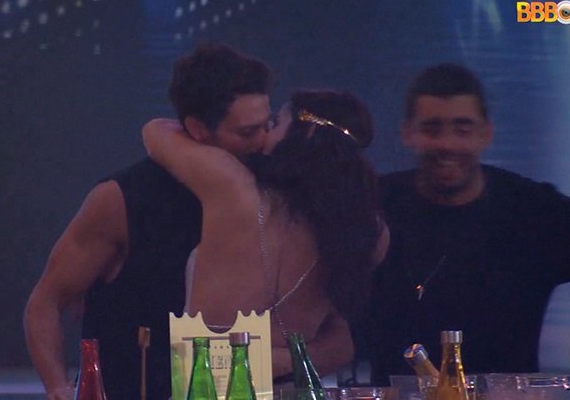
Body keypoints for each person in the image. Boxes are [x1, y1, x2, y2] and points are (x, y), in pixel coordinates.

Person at [24, 43, 274, 400]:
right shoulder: (123, 199)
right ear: (197, 129)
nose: (265, 141)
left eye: (268, 125)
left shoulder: (269, 187)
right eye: (248, 133)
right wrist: (58, 388)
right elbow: (45, 302)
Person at [142, 89, 389, 381]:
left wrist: (225, 132)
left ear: (307, 132)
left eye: (273, 124)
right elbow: (339, 347)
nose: (262, 137)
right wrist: (280, 358)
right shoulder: (368, 232)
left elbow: (155, 132)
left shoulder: (236, 189)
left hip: (207, 386)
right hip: (290, 388)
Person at [362, 63, 570, 385]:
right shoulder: (371, 206)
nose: (447, 144)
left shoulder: (537, 212)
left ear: (486, 134)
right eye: (432, 129)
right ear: (407, 133)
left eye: (462, 130)